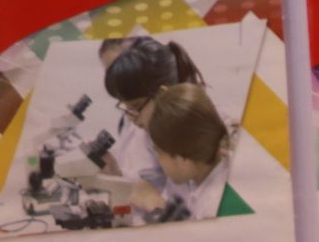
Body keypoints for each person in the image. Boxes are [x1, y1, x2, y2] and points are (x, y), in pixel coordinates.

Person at [98, 34, 202, 186]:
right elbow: (156, 178)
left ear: (163, 94)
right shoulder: (149, 120)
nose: (131, 117)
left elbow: (178, 188)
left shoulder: (193, 133)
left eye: (135, 106)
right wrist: (116, 174)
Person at [131, 84, 231, 223]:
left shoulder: (213, 209)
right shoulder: (212, 174)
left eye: (159, 152)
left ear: (182, 157)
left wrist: (155, 207)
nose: (158, 160)